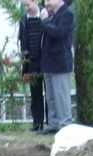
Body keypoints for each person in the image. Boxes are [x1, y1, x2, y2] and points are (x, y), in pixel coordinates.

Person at [37, 0, 74, 135]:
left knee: (61, 96)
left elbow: (57, 33)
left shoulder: (67, 14)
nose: (46, 2)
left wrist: (45, 21)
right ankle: (53, 124)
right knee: (51, 97)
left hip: (60, 62)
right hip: (48, 61)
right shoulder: (52, 14)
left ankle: (65, 125)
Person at [19, 0, 45, 132]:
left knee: (50, 93)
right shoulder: (23, 21)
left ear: (35, 1)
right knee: (35, 94)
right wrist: (25, 67)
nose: (26, 8)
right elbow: (23, 44)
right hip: (32, 62)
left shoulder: (45, 15)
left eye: (28, 5)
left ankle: (52, 122)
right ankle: (38, 123)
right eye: (24, 6)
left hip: (46, 59)